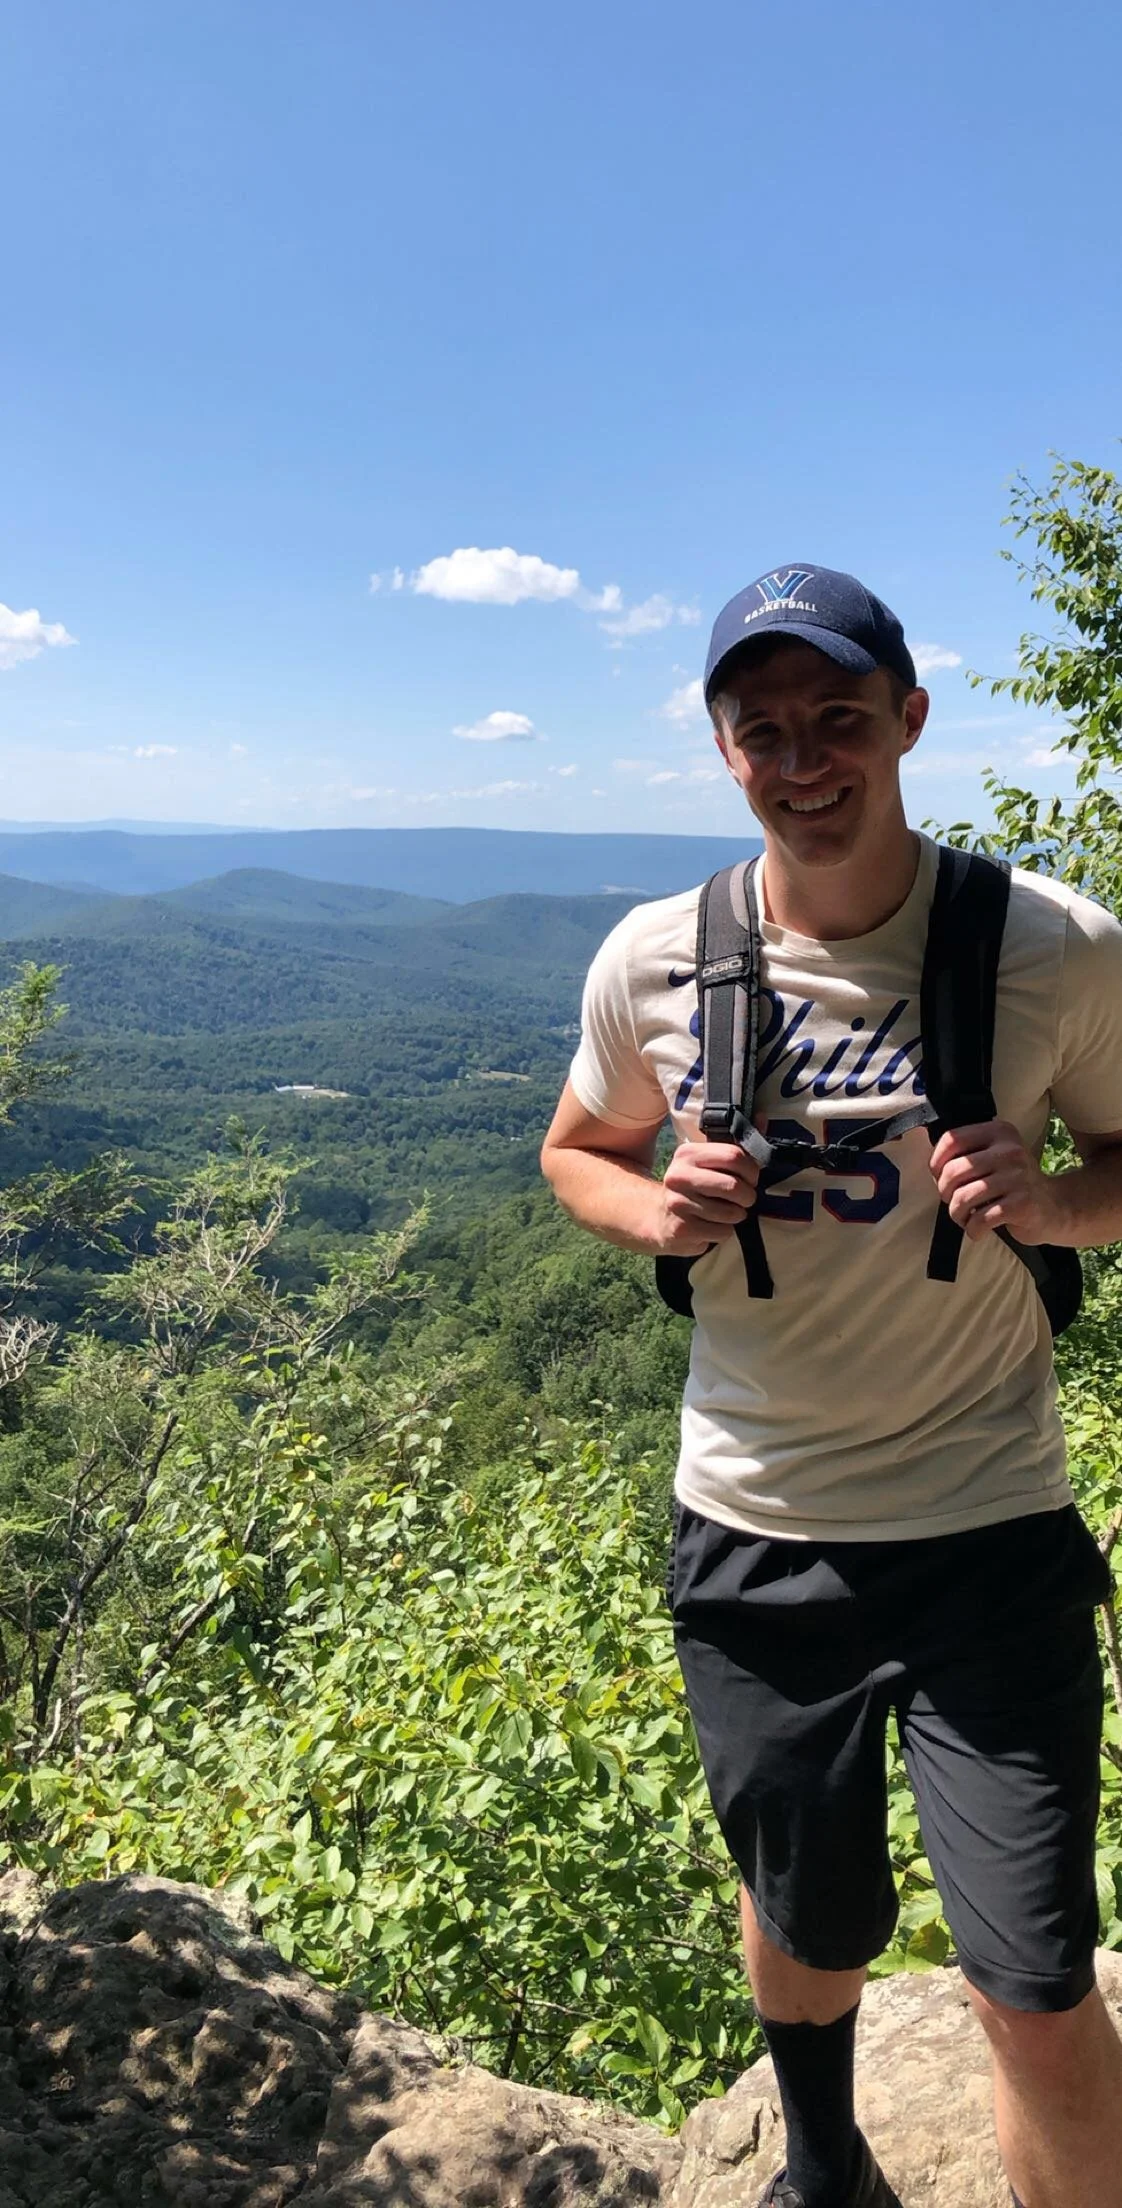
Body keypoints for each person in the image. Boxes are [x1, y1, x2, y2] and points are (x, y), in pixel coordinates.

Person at [540, 565, 1122, 2208]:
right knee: (801, 1906)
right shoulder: (659, 958)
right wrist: (655, 1204)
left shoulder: (1052, 948)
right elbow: (575, 1152)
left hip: (985, 1527)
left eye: (838, 722)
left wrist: (1052, 1201)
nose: (804, 759)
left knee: (1031, 1978)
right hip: (753, 1523)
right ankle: (817, 2163)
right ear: (725, 752)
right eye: (764, 730)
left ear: (908, 722)